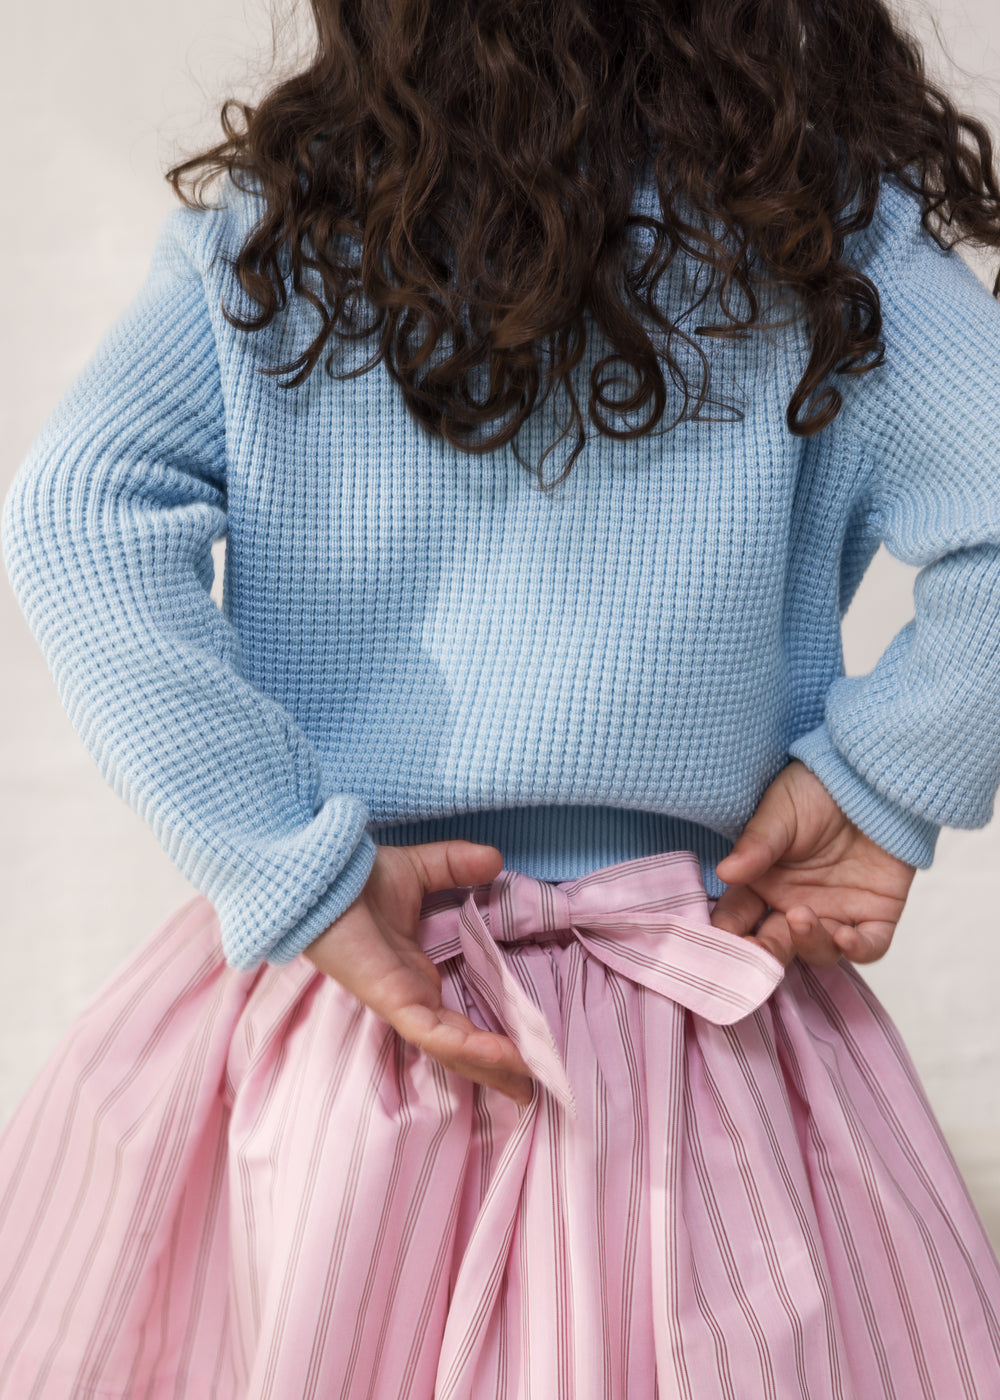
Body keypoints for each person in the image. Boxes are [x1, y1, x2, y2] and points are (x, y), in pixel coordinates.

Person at [2, 0, 1000, 1394]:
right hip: (708, 1025)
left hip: (364, 1021)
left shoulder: (285, 235)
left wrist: (287, 863)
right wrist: (889, 780)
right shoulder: (829, 240)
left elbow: (76, 514)